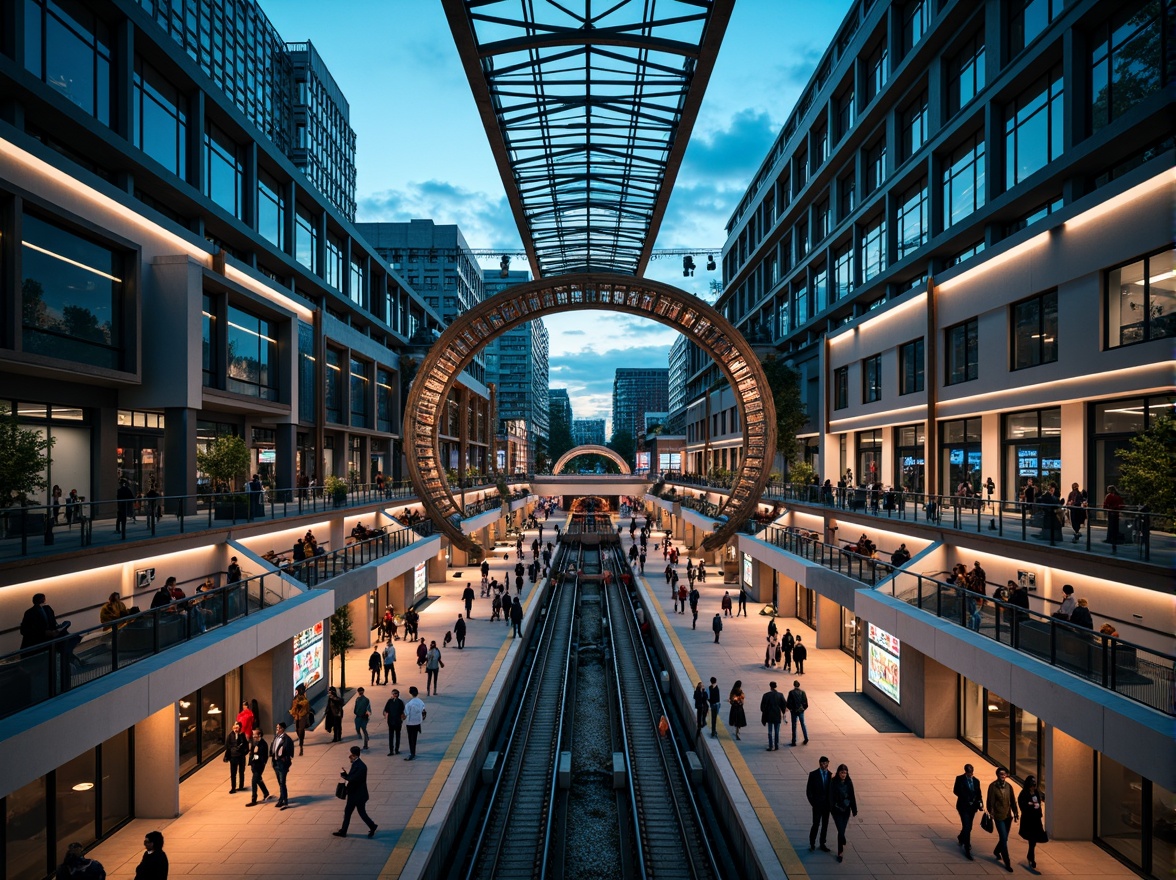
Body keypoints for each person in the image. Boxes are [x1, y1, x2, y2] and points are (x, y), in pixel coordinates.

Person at [333, 747, 379, 838]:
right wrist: (345, 774)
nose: (349, 757)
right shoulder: (357, 764)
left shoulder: (361, 767)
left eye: (351, 755)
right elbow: (351, 777)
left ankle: (343, 831)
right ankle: (372, 826)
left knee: (350, 812)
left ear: (354, 755)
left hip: (356, 795)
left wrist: (344, 776)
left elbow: (353, 779)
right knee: (359, 812)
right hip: (358, 795)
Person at [986, 766, 1019, 872]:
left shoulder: (1009, 786)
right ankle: (1007, 862)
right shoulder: (993, 786)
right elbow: (989, 800)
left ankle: (996, 851)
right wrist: (991, 812)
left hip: (1007, 816)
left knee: (1004, 838)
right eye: (1001, 774)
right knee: (1004, 838)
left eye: (1005, 774)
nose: (1003, 776)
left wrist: (1015, 812)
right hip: (998, 816)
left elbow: (1012, 800)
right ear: (998, 775)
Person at [953, 763, 983, 860]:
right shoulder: (960, 779)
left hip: (972, 807)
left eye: (971, 772)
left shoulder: (976, 781)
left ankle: (961, 837)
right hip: (963, 807)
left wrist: (980, 804)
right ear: (966, 771)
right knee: (967, 826)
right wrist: (965, 797)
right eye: (969, 772)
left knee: (968, 826)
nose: (970, 774)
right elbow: (956, 791)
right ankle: (967, 846)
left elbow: (979, 793)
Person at [828, 763, 858, 863]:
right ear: (838, 772)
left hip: (846, 810)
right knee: (840, 830)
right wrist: (831, 807)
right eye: (842, 772)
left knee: (842, 830)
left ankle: (841, 841)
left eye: (845, 773)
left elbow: (852, 796)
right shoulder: (833, 782)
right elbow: (831, 796)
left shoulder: (849, 782)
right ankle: (840, 853)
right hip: (836, 810)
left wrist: (854, 809)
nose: (843, 775)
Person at [1017, 775, 1047, 870]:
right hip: (1028, 820)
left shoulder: (1036, 793)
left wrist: (1038, 809)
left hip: (1036, 819)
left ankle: (1030, 856)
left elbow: (1038, 802)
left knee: (1033, 840)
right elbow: (1022, 805)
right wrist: (1029, 805)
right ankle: (1031, 858)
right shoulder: (1024, 793)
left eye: (1034, 785)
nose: (1033, 787)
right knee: (1032, 839)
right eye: (1032, 785)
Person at [806, 756, 833, 851]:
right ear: (820, 763)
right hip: (817, 805)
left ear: (828, 763)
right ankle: (812, 843)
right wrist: (813, 803)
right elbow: (809, 791)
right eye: (823, 763)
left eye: (826, 763)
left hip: (826, 806)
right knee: (816, 824)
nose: (824, 765)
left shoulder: (830, 775)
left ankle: (822, 843)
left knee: (825, 825)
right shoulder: (813, 775)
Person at [270, 722, 294, 808]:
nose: (277, 730)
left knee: (282, 782)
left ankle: (284, 800)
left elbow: (289, 752)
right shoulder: (276, 737)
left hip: (282, 764)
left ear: (283, 729)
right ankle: (282, 798)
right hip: (276, 762)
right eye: (277, 728)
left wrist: (285, 760)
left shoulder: (287, 739)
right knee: (280, 782)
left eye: (279, 728)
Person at [245, 727, 271, 805]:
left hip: (259, 766)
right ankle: (266, 792)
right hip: (254, 765)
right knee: (258, 780)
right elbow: (251, 752)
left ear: (259, 735)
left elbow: (263, 757)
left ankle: (254, 799)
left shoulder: (263, 744)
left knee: (254, 781)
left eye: (254, 734)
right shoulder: (254, 742)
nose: (253, 736)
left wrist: (256, 754)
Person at [760, 681, 787, 751]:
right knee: (777, 731)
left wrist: (765, 712)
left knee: (770, 731)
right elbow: (784, 704)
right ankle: (776, 745)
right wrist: (783, 712)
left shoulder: (766, 695)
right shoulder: (780, 695)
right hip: (777, 715)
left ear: (770, 687)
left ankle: (770, 745)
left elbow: (762, 707)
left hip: (769, 715)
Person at [223, 720, 249, 793]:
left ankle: (241, 786)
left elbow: (246, 746)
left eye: (237, 727)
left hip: (241, 756)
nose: (236, 729)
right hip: (233, 757)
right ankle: (233, 787)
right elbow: (227, 746)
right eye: (235, 727)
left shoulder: (242, 735)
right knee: (233, 773)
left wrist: (244, 752)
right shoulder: (230, 735)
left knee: (241, 771)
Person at [403, 685, 426, 761]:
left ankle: (412, 753)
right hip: (417, 722)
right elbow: (424, 711)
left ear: (410, 693)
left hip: (410, 723)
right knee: (415, 738)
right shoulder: (420, 702)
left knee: (410, 738)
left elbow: (405, 714)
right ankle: (414, 751)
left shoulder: (409, 704)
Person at [290, 683, 311, 756]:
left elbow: (306, 704)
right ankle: (300, 739)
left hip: (303, 715)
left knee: (301, 729)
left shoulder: (303, 698)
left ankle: (301, 744)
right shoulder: (296, 698)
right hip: (297, 716)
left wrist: (300, 704)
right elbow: (294, 706)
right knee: (297, 729)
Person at [383, 688, 406, 755]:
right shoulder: (400, 702)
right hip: (396, 721)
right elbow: (402, 710)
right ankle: (396, 750)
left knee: (392, 736)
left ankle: (392, 750)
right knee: (396, 736)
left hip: (392, 721)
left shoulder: (390, 701)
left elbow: (386, 710)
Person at [787, 680, 809, 745]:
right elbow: (805, 702)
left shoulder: (791, 692)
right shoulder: (802, 692)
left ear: (794, 685)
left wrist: (791, 708)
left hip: (793, 711)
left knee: (794, 725)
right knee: (803, 724)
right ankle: (806, 737)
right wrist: (803, 709)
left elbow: (788, 702)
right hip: (801, 710)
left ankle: (794, 740)